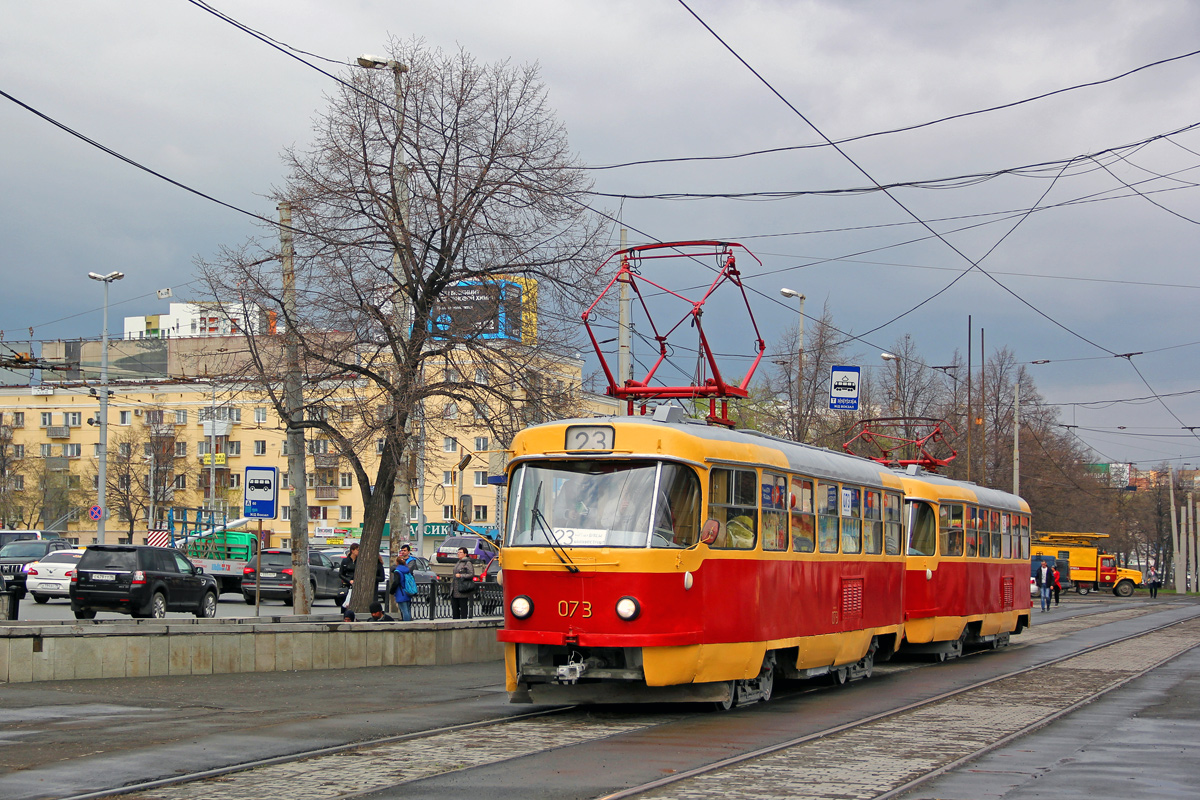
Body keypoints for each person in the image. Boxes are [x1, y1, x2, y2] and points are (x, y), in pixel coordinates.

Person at [451, 546, 476, 619]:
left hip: (462, 589)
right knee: (455, 608)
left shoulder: (467, 563)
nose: (458, 554)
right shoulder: (458, 562)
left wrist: (461, 575)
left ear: (465, 554)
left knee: (463, 607)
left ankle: (463, 622)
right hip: (455, 589)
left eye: (460, 552)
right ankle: (455, 622)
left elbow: (471, 574)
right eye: (458, 552)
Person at [391, 554, 414, 621]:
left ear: (397, 562)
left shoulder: (397, 571)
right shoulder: (407, 570)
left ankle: (406, 625)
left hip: (400, 592)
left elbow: (396, 582)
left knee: (404, 610)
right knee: (408, 609)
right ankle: (410, 623)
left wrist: (392, 591)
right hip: (408, 591)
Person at [338, 543, 359, 612]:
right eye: (357, 550)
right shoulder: (345, 561)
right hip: (347, 584)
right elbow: (340, 574)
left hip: (356, 584)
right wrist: (349, 580)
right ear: (352, 551)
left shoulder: (359, 561)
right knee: (345, 603)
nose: (359, 552)